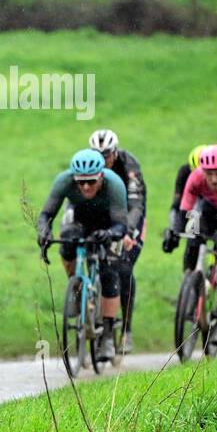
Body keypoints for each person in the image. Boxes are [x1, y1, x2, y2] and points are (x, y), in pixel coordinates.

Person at [36, 149, 128, 361]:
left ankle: (106, 334)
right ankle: (75, 287)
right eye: (81, 182)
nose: (86, 186)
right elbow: (46, 215)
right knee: (66, 242)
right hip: (78, 219)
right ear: (74, 178)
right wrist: (44, 233)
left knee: (109, 271)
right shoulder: (64, 181)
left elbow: (121, 225)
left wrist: (109, 234)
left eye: (91, 181)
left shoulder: (114, 185)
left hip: (108, 223)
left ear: (101, 176)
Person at [173, 144, 217, 347]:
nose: (213, 179)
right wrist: (175, 233)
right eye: (209, 174)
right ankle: (192, 285)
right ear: (202, 171)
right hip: (210, 212)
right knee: (193, 238)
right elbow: (185, 211)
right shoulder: (194, 178)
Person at [88, 129, 145, 354]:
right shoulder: (88, 165)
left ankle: (126, 331)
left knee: (123, 266)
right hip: (105, 215)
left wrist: (128, 232)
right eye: (97, 155)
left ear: (116, 151)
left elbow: (136, 204)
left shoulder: (129, 165)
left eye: (107, 155)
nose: (102, 161)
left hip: (132, 214)